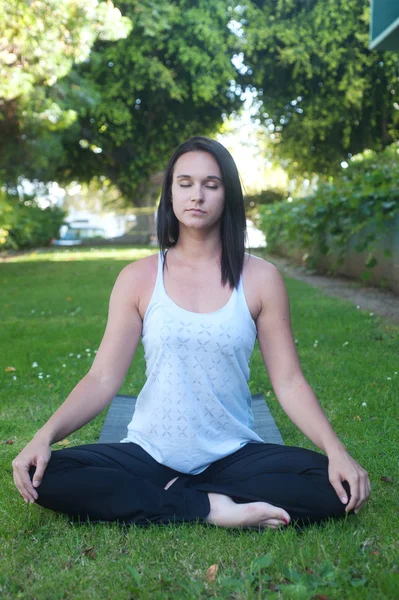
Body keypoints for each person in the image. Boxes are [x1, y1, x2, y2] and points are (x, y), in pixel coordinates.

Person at [12, 136, 370, 530]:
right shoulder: (138, 278)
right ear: (170, 193)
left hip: (232, 455)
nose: (196, 195)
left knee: (332, 486)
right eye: (185, 183)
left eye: (210, 185)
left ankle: (180, 499)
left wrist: (336, 450)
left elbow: (288, 380)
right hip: (150, 454)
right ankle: (212, 509)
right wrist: (44, 436)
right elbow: (101, 378)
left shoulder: (261, 278)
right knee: (42, 473)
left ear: (227, 194)